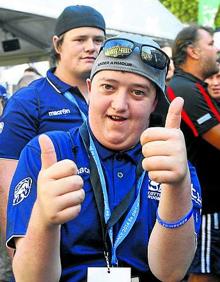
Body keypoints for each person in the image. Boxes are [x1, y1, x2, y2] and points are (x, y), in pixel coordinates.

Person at [6, 34, 201, 282]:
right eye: (108, 87)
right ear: (89, 90)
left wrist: (177, 186)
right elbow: (30, 279)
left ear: (154, 103)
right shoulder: (47, 154)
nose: (119, 104)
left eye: (138, 92)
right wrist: (44, 220)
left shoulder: (173, 164)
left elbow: (170, 272)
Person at [0, 4, 105, 281]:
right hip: (53, 250)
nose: (91, 47)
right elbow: (7, 186)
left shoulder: (110, 98)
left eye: (98, 40)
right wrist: (22, 257)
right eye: (80, 39)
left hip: (107, 247)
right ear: (57, 44)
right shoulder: (27, 102)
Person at [166, 25, 220, 282]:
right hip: (204, 204)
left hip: (206, 201)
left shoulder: (194, 87)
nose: (216, 49)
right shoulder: (183, 88)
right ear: (193, 51)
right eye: (210, 44)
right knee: (203, 274)